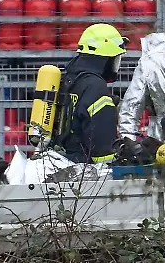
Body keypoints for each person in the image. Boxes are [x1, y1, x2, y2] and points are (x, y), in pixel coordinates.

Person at [53, 23, 127, 163]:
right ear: (106, 59)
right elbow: (103, 150)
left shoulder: (71, 78)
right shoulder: (96, 88)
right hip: (84, 170)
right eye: (116, 58)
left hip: (61, 160)